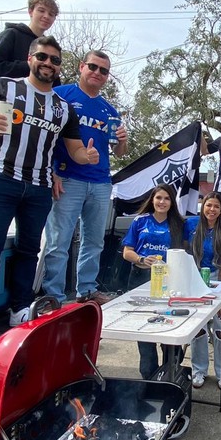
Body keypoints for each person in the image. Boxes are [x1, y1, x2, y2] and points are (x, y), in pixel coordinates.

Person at [0, 36, 99, 350]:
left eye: (55, 60)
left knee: (29, 249)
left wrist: (87, 157)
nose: (48, 63)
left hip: (39, 185)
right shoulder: (4, 87)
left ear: (60, 67)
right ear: (30, 58)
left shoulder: (63, 108)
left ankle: (20, 308)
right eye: (43, 57)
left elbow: (75, 150)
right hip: (0, 177)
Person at [41, 50, 129, 304]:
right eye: (93, 67)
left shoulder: (109, 110)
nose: (97, 73)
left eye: (104, 70)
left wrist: (123, 140)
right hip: (67, 178)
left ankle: (87, 290)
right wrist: (52, 172)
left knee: (94, 241)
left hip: (100, 182)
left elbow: (119, 152)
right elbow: (44, 136)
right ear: (82, 67)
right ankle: (54, 296)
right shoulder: (60, 95)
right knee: (59, 242)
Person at [121, 184, 186, 379]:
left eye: (166, 198)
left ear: (172, 202)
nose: (162, 202)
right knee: (145, 329)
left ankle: (171, 371)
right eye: (158, 198)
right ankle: (148, 376)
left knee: (170, 327)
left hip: (169, 281)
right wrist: (141, 259)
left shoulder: (178, 223)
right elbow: (127, 252)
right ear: (152, 200)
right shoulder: (140, 221)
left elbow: (186, 253)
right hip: (140, 278)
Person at [185, 193, 221, 390]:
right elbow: (183, 252)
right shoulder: (191, 225)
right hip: (193, 279)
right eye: (209, 205)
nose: (212, 210)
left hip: (214, 280)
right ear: (203, 206)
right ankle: (199, 370)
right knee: (198, 329)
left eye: (216, 207)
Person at [0, 0, 59, 80]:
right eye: (41, 11)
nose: (46, 16)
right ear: (30, 12)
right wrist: (30, 65)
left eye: (51, 14)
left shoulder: (50, 46)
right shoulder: (12, 34)